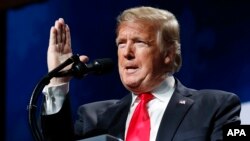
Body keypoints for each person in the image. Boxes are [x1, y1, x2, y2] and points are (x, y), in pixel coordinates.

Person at [41, 6, 241, 141]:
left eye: (139, 42)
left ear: (168, 54)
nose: (127, 53)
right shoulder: (94, 117)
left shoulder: (216, 106)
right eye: (121, 44)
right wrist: (58, 79)